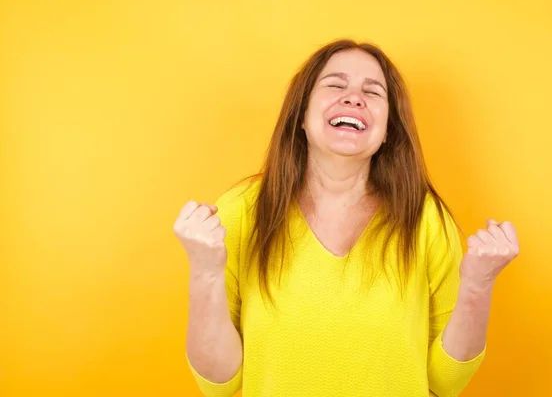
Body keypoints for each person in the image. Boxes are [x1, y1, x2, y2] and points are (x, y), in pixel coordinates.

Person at [173, 39, 520, 397]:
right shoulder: (242, 212)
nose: (354, 98)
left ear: (387, 132)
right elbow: (217, 384)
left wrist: (478, 285)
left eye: (373, 92)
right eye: (336, 85)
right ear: (302, 116)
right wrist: (204, 272)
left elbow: (445, 383)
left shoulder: (424, 218)